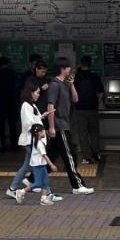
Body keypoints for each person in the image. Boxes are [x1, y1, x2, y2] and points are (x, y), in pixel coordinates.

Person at [47, 58, 93, 195]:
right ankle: (77, 185)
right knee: (69, 156)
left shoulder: (65, 84)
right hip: (59, 125)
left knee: (53, 154)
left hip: (64, 124)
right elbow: (50, 106)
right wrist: (51, 127)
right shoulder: (54, 84)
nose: (70, 70)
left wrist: (72, 85)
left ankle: (32, 180)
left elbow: (76, 99)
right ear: (63, 68)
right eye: (68, 68)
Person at [7, 81, 57, 203]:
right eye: (37, 93)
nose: (38, 95)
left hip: (32, 140)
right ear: (31, 92)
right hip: (31, 141)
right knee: (35, 165)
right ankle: (41, 191)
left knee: (29, 165)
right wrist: (40, 122)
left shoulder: (31, 105)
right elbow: (29, 124)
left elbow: (32, 121)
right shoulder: (26, 105)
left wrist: (41, 116)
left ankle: (18, 187)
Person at [71, 56, 103, 164]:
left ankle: (87, 157)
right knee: (94, 132)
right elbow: (101, 93)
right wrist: (97, 103)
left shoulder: (76, 77)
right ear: (91, 64)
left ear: (81, 64)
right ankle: (96, 154)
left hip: (79, 108)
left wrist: (77, 68)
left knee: (83, 133)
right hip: (93, 108)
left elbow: (70, 87)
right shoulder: (95, 76)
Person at [0, 56, 19, 153]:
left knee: (1, 124)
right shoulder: (13, 74)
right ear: (8, 64)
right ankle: (14, 145)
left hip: (0, 102)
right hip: (12, 102)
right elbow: (17, 88)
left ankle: (2, 144)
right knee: (12, 124)